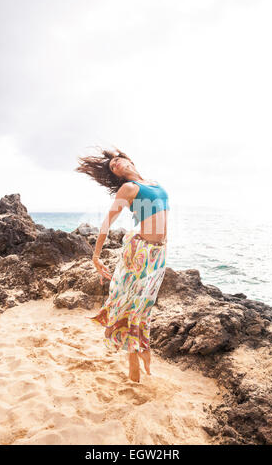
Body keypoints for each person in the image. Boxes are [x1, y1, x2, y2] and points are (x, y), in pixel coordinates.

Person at [74, 146, 170, 382]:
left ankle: (142, 351)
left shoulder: (154, 183)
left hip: (159, 255)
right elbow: (106, 223)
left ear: (129, 159)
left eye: (118, 159)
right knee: (133, 307)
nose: (115, 163)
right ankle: (134, 366)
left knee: (144, 306)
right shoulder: (128, 189)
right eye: (112, 166)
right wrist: (96, 256)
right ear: (116, 176)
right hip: (140, 252)